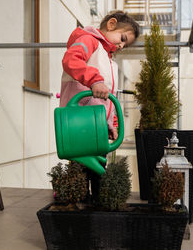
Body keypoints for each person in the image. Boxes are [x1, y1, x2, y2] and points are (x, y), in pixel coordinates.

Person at [59, 10, 140, 203]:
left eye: (124, 45)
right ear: (111, 24)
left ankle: (95, 211)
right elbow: (71, 60)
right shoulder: (89, 41)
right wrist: (94, 80)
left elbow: (107, 98)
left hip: (95, 125)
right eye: (122, 38)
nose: (121, 45)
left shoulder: (108, 59)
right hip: (80, 121)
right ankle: (81, 212)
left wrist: (111, 124)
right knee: (82, 169)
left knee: (97, 171)